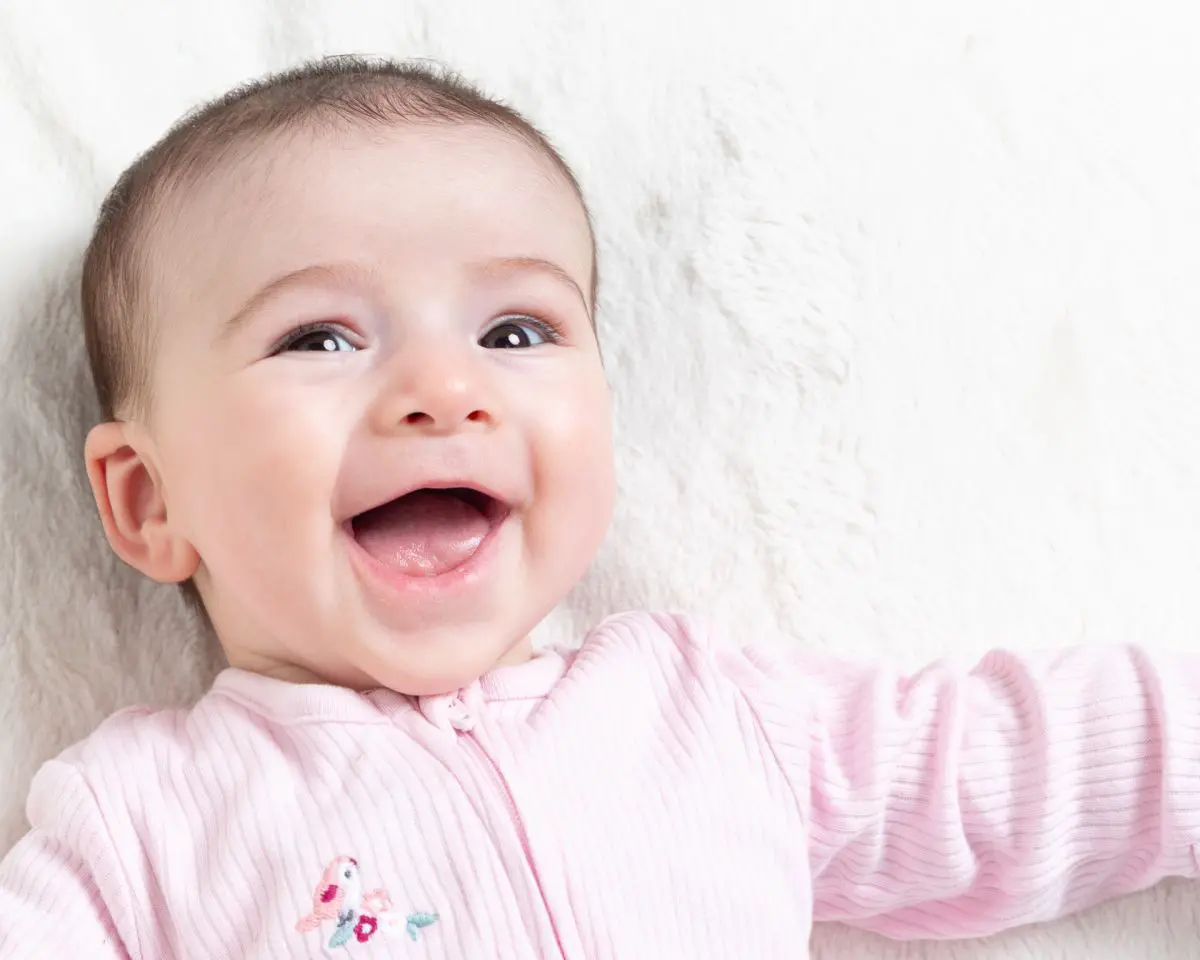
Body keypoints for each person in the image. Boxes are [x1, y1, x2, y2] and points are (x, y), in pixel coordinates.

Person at [0, 55, 1197, 959]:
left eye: (516, 330)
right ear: (150, 500)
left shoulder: (706, 717)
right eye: (320, 337)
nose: (443, 388)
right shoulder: (140, 828)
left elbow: (1016, 766)